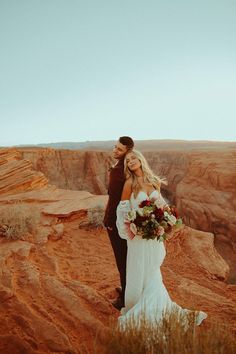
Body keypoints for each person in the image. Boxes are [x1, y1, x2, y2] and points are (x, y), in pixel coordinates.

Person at [116, 149, 207, 327]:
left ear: (141, 160)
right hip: (138, 237)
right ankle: (137, 307)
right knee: (138, 270)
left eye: (133, 158)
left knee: (152, 271)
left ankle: (156, 306)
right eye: (127, 161)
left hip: (153, 236)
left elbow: (161, 206)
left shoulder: (154, 181)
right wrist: (131, 228)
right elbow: (122, 210)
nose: (131, 162)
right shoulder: (129, 184)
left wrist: (167, 220)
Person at [103, 136, 134, 310]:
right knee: (127, 257)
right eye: (114, 147)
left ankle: (125, 298)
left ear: (127, 151)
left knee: (122, 259)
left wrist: (108, 220)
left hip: (117, 221)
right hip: (127, 218)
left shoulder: (118, 170)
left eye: (119, 149)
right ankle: (128, 288)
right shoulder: (126, 166)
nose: (115, 151)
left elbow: (114, 199)